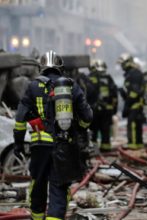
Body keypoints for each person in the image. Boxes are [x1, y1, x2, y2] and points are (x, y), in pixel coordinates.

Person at [13, 50, 93, 220]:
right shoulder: (71, 86)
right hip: (63, 146)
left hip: (39, 147)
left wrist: (18, 144)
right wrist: (79, 128)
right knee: (59, 188)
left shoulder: (33, 86)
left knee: (38, 186)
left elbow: (20, 118)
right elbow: (87, 117)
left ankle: (37, 217)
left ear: (41, 66)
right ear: (60, 67)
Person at [88, 59, 118, 151]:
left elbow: (86, 94)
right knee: (105, 131)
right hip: (107, 110)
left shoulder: (89, 78)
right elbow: (114, 95)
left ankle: (93, 149)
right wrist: (114, 109)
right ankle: (106, 148)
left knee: (93, 130)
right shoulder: (108, 78)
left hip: (94, 110)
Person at [117, 53, 145, 150]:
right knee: (135, 126)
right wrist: (123, 92)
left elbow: (134, 93)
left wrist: (127, 106)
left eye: (122, 64)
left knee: (132, 125)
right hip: (133, 104)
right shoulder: (130, 74)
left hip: (135, 104)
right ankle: (137, 145)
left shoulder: (134, 74)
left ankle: (133, 147)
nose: (121, 67)